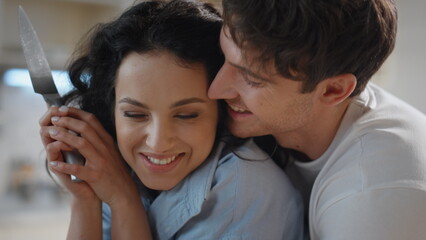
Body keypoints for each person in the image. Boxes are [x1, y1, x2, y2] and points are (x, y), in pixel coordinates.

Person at [39, 0, 303, 239]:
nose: (158, 141)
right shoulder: (115, 166)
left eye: (186, 115)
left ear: (220, 111)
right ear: (112, 111)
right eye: (134, 114)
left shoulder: (245, 192)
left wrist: (123, 200)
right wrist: (84, 199)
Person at [208, 0, 426, 239]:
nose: (215, 90)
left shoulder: (372, 198)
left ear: (333, 90)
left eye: (252, 80)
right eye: (222, 54)